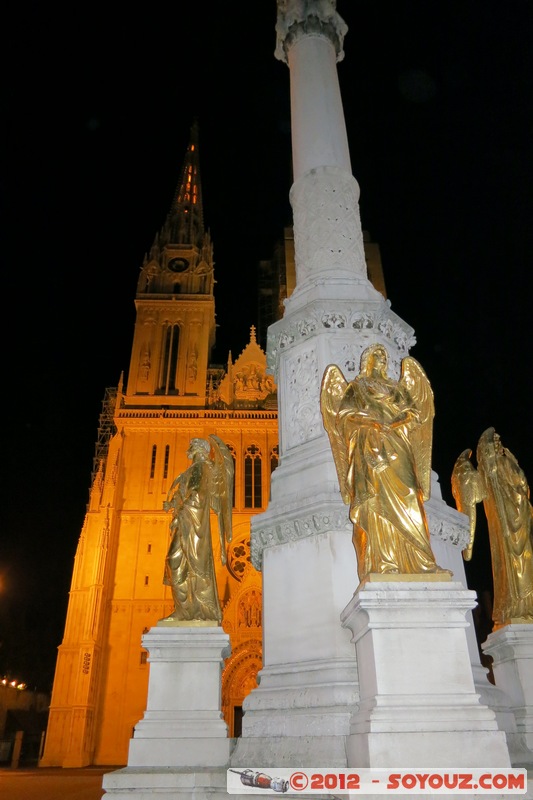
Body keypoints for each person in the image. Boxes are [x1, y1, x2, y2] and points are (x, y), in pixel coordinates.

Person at [321, 343, 447, 587]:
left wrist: (397, 421)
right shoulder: (357, 388)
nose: (382, 359)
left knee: (411, 494)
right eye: (377, 356)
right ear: (367, 360)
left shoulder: (395, 388)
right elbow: (344, 417)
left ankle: (422, 560)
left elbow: (414, 413)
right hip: (372, 448)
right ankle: (384, 562)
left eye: (385, 356)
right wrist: (374, 422)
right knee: (376, 500)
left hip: (398, 444)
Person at [158, 435, 233, 624]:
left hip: (193, 524)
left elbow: (197, 495)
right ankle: (184, 610)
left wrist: (181, 513)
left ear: (199, 450)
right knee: (176, 562)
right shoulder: (192, 470)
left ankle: (192, 610)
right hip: (186, 521)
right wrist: (174, 503)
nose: (189, 449)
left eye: (192, 447)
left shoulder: (202, 468)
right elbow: (187, 493)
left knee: (180, 562)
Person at [476, 427, 533, 627]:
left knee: (521, 563)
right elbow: (522, 482)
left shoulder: (497, 468)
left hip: (516, 516)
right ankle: (520, 606)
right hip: (513, 519)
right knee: (519, 563)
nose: (499, 444)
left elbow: (522, 488)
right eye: (496, 441)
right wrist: (513, 462)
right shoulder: (502, 463)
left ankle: (522, 606)